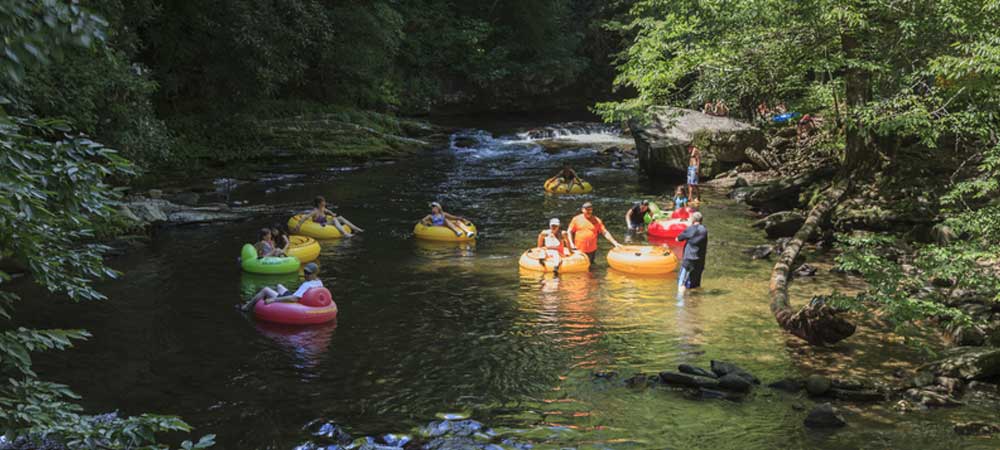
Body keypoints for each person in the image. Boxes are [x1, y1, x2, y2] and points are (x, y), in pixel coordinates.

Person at [239, 262, 323, 311]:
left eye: (308, 273)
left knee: (265, 289)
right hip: (297, 297)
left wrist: (274, 300)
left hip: (294, 303)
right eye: (305, 272)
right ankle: (255, 300)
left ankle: (246, 307)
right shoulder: (319, 282)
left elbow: (293, 298)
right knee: (279, 286)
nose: (305, 275)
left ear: (315, 273)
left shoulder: (306, 284)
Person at [293, 195, 364, 237]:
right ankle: (345, 234)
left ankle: (356, 229)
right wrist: (298, 226)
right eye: (323, 202)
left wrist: (332, 214)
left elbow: (329, 211)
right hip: (320, 225)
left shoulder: (323, 208)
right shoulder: (315, 211)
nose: (325, 202)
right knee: (334, 219)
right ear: (319, 204)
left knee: (340, 218)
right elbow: (305, 217)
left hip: (326, 222)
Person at [676, 212, 708, 300]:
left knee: (681, 284)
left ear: (693, 220)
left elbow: (678, 238)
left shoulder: (691, 228)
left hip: (689, 260)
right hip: (700, 261)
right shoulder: (704, 230)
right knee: (695, 285)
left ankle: (680, 306)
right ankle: (694, 303)